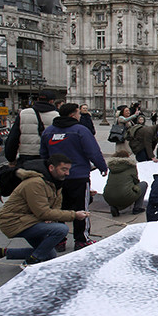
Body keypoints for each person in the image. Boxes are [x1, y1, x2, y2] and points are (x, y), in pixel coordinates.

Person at [0, 154, 86, 268]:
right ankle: (32, 261)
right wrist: (74, 215)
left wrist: (51, 216)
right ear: (51, 168)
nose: (67, 173)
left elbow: (55, 206)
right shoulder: (35, 183)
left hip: (30, 220)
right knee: (61, 229)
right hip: (14, 222)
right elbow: (42, 212)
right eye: (64, 169)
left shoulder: (55, 181)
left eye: (68, 170)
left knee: (49, 254)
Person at [40, 103, 108, 251]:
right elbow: (93, 151)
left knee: (58, 208)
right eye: (78, 113)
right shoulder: (80, 130)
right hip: (78, 175)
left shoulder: (48, 131)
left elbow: (43, 154)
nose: (79, 115)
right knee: (81, 208)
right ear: (73, 115)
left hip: (56, 177)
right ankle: (81, 239)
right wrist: (102, 167)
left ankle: (58, 240)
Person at [3, 90, 59, 167]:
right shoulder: (57, 116)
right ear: (52, 101)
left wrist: (11, 157)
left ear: (38, 99)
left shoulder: (24, 113)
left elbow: (13, 137)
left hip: (27, 155)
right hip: (48, 155)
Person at [102, 148, 148, 217]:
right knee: (143, 185)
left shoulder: (112, 167)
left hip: (108, 196)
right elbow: (136, 181)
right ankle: (137, 208)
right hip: (124, 195)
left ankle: (114, 207)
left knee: (115, 189)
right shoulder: (130, 166)